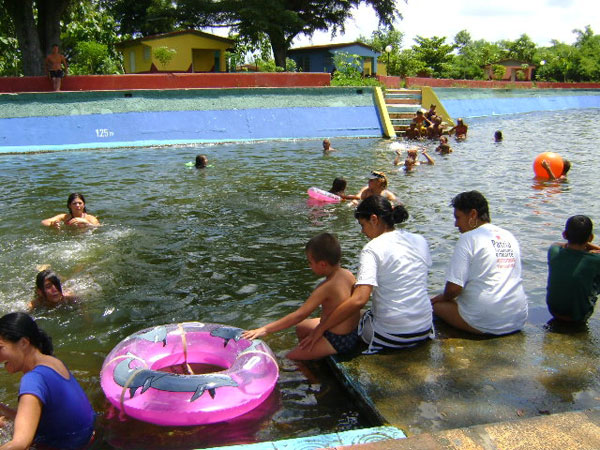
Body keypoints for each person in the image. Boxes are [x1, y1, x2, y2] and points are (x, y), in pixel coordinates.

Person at [300, 196, 434, 354]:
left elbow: (359, 300)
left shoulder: (373, 248)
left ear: (374, 219)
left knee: (308, 326)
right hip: (425, 328)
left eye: (363, 225)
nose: (363, 231)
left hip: (390, 336)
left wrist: (321, 328)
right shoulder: (419, 239)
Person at [242, 233, 359, 359]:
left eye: (310, 262)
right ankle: (311, 352)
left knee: (290, 357)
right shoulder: (348, 274)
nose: (309, 266)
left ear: (323, 264)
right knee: (301, 327)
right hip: (352, 332)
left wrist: (265, 329)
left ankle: (308, 369)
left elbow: (299, 315)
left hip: (337, 340)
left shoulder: (326, 287)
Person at [431, 191, 528, 335]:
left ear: (473, 215)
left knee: (434, 305)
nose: (456, 224)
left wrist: (440, 297)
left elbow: (454, 289)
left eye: (458, 217)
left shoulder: (468, 238)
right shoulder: (508, 235)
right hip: (518, 318)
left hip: (486, 322)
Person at [0, 312, 95, 449]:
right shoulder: (53, 362)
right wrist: (4, 411)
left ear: (24, 343)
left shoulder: (32, 380)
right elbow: (45, 417)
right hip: (90, 439)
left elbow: (20, 444)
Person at [546, 215, 600, 322]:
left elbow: (557, 244)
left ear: (564, 235)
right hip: (580, 315)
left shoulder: (553, 251)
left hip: (554, 311)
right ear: (591, 238)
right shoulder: (595, 259)